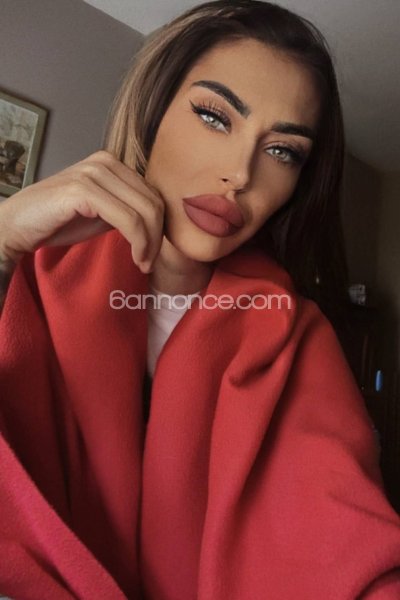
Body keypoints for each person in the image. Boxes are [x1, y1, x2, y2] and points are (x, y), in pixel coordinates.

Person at [0, 1, 400, 598]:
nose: (240, 173)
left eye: (283, 151)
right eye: (215, 117)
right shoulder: (31, 279)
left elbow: (349, 545)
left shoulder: (295, 337)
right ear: (152, 110)